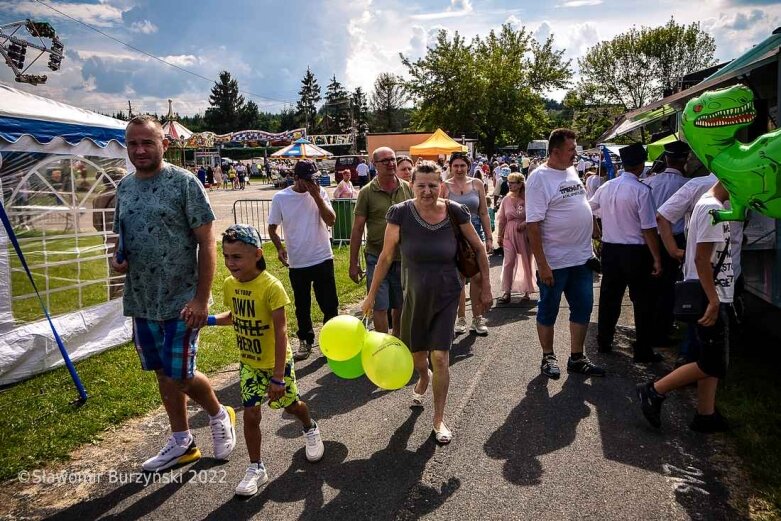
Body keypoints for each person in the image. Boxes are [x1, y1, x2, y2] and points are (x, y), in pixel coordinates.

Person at [110, 115, 236, 472]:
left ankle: (217, 413)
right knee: (162, 372)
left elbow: (207, 244)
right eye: (133, 143)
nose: (139, 150)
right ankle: (181, 441)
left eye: (147, 142)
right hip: (142, 298)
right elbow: (123, 236)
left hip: (182, 299)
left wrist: (200, 298)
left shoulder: (184, 183)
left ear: (164, 144)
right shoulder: (125, 187)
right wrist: (118, 257)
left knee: (180, 372)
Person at [360, 161, 492, 444]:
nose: (427, 191)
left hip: (447, 295)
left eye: (433, 185)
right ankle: (423, 378)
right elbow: (385, 257)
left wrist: (486, 289)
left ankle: (439, 419)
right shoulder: (400, 213)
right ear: (412, 185)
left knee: (441, 357)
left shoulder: (455, 211)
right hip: (414, 298)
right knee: (418, 358)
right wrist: (371, 295)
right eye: (421, 185)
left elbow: (479, 249)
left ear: (441, 186)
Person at [213, 224, 324, 496]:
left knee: (292, 406)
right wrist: (207, 320)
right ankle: (256, 467)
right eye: (226, 256)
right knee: (251, 414)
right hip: (249, 363)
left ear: (258, 254)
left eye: (237, 257)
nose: (230, 263)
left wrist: (277, 377)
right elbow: (234, 316)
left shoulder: (271, 287)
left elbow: (281, 332)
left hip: (276, 363)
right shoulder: (230, 284)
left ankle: (310, 427)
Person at [636, 182, 733, 433]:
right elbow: (703, 259)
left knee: (708, 357)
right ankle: (654, 390)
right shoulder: (713, 209)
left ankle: (705, 414)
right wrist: (713, 299)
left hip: (709, 290)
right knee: (713, 363)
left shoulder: (706, 203)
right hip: (710, 293)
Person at [525, 128, 605, 380]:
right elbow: (533, 225)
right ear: (556, 151)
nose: (576, 154)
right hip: (555, 262)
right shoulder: (539, 178)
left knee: (583, 307)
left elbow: (579, 204)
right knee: (548, 309)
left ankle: (577, 357)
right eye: (571, 150)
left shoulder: (571, 171)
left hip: (582, 258)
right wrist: (542, 264)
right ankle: (548, 356)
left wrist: (593, 229)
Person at [589, 143, 663, 363]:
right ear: (641, 165)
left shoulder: (607, 187)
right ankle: (643, 349)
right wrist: (657, 258)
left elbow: (588, 208)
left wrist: (597, 231)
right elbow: (648, 229)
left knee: (609, 298)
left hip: (611, 249)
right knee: (642, 301)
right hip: (636, 252)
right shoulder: (642, 191)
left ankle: (604, 341)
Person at [268, 160, 338, 361]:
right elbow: (272, 227)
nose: (311, 183)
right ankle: (305, 340)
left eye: (314, 178)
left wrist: (316, 195)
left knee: (329, 303)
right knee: (302, 305)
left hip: (322, 256)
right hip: (298, 261)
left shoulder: (320, 192)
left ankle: (332, 339)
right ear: (295, 178)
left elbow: (331, 220)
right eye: (307, 179)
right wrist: (279, 248)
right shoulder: (281, 197)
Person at [349, 147, 413, 336]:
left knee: (400, 304)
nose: (390, 163)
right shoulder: (367, 192)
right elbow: (357, 228)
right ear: (374, 165)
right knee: (379, 305)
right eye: (384, 161)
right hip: (376, 257)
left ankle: (397, 343)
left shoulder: (407, 188)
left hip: (403, 257)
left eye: (392, 159)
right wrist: (353, 263)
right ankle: (383, 346)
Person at [643, 140, 692, 346]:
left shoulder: (651, 182)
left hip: (651, 238)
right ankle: (662, 331)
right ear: (685, 161)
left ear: (666, 158)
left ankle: (648, 328)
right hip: (675, 239)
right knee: (669, 287)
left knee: (651, 286)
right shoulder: (687, 185)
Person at [443, 152, 493, 335]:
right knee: (459, 278)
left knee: (478, 277)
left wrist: (489, 236)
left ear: (468, 166)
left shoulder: (477, 184)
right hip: (453, 235)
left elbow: (484, 212)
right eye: (455, 166)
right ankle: (461, 318)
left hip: (475, 232)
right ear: (450, 167)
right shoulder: (444, 186)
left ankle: (478, 319)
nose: (459, 169)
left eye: (462, 165)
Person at [497, 172, 537, 303]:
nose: (510, 185)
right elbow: (502, 219)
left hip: (525, 233)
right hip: (509, 232)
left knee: (526, 260)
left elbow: (535, 214)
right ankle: (506, 292)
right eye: (509, 182)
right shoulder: (506, 199)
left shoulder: (529, 199)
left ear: (520, 184)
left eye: (513, 182)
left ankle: (527, 290)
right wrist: (499, 235)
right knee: (509, 262)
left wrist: (525, 223)